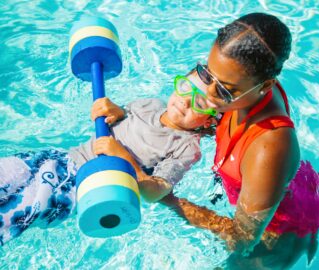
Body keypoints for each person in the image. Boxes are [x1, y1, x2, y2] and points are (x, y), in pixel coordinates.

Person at [160, 12, 319, 269]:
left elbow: (241, 238)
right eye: (208, 75)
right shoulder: (244, 86)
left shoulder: (268, 147)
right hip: (280, 185)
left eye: (226, 89)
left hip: (277, 233)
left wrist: (169, 200)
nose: (210, 94)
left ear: (266, 85)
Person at [0, 88, 217, 246]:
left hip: (78, 189)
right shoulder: (149, 103)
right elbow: (124, 119)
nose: (186, 101)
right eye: (186, 88)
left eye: (199, 102)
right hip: (59, 158)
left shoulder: (187, 147)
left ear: (208, 121)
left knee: (11, 214)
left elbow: (155, 192)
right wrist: (116, 112)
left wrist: (124, 158)